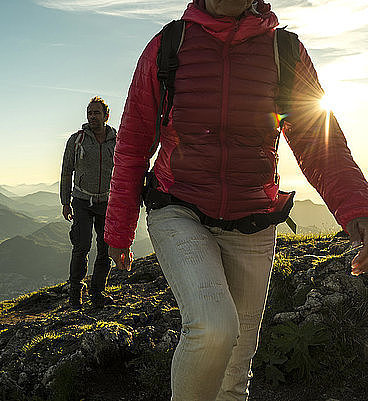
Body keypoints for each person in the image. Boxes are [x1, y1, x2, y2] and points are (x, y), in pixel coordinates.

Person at [104, 0, 368, 400]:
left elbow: (320, 142)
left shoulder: (284, 51)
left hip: (252, 219)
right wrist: (118, 229)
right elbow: (134, 142)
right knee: (213, 327)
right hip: (178, 207)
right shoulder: (170, 44)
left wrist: (359, 212)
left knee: (235, 371)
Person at [60, 96, 117, 308]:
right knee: (81, 246)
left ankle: (97, 293)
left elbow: (123, 172)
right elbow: (66, 172)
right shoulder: (77, 140)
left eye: (96, 113)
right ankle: (75, 295)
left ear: (106, 116)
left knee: (105, 250)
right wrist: (66, 202)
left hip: (107, 202)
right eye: (90, 113)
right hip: (82, 201)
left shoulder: (117, 140)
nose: (92, 116)